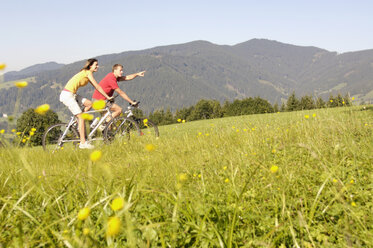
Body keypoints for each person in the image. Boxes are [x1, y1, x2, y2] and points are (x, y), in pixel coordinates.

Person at [59, 58, 113, 149]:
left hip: (72, 94)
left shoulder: (86, 73)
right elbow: (97, 86)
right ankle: (83, 143)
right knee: (81, 117)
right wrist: (107, 97)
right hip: (67, 95)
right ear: (90, 66)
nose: (97, 66)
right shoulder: (88, 73)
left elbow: (97, 88)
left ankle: (78, 123)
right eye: (96, 65)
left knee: (89, 104)